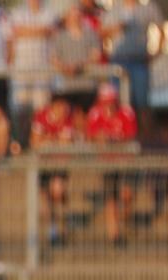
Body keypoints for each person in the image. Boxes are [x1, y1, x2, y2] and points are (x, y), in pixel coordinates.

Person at [102, 0, 164, 136]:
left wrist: (157, 52)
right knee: (119, 102)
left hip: (138, 61)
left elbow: (161, 28)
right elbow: (102, 33)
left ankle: (146, 139)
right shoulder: (114, 10)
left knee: (141, 103)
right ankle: (123, 136)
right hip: (118, 62)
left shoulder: (148, 8)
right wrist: (116, 29)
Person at [86, 83, 137, 244]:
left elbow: (132, 137)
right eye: (105, 102)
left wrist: (116, 141)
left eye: (110, 102)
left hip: (125, 161)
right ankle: (114, 234)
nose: (108, 106)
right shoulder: (95, 113)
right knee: (111, 198)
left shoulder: (126, 112)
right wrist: (99, 139)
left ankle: (124, 219)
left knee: (126, 194)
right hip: (107, 162)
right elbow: (90, 137)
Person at [30, 94, 78, 245]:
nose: (64, 109)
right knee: (46, 197)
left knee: (58, 191)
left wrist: (47, 139)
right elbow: (35, 142)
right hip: (43, 163)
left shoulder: (68, 119)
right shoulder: (41, 116)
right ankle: (53, 231)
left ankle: (64, 221)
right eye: (61, 105)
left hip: (59, 163)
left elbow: (66, 143)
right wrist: (54, 140)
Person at [8, 0, 56, 149]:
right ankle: (19, 141)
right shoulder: (18, 12)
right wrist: (40, 31)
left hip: (42, 67)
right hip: (21, 67)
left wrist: (27, 31)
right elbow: (16, 32)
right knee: (19, 106)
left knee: (41, 107)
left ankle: (37, 143)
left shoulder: (48, 12)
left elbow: (50, 31)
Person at [49, 5, 103, 125]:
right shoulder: (60, 36)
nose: (75, 18)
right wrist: (65, 67)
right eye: (72, 15)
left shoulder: (90, 34)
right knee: (66, 120)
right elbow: (53, 58)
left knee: (85, 119)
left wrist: (80, 65)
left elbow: (96, 55)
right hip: (67, 86)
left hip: (87, 85)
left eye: (78, 15)